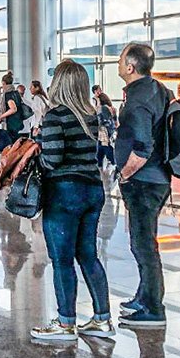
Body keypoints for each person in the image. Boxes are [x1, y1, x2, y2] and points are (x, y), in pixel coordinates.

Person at [30, 60, 114, 341]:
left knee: (62, 259)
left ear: (60, 85)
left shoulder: (56, 116)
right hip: (93, 189)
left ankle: (66, 322)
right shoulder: (90, 115)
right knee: (88, 255)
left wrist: (35, 153)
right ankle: (102, 318)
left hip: (65, 192)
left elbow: (52, 160)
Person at [115, 43, 172, 328]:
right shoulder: (158, 89)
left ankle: (153, 307)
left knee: (143, 244)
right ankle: (144, 295)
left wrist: (124, 173)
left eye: (121, 59)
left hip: (144, 181)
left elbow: (142, 146)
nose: (118, 63)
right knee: (144, 241)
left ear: (130, 67)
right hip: (159, 178)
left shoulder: (137, 100)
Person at [0, 72, 27, 138]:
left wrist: (1, 117)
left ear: (3, 83)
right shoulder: (16, 93)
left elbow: (13, 109)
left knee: (12, 144)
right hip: (18, 122)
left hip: (12, 124)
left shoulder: (8, 94)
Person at [96, 92, 117, 170]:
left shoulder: (103, 108)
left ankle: (111, 164)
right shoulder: (110, 107)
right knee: (101, 150)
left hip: (104, 132)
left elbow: (105, 121)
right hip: (109, 131)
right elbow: (115, 120)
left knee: (105, 149)